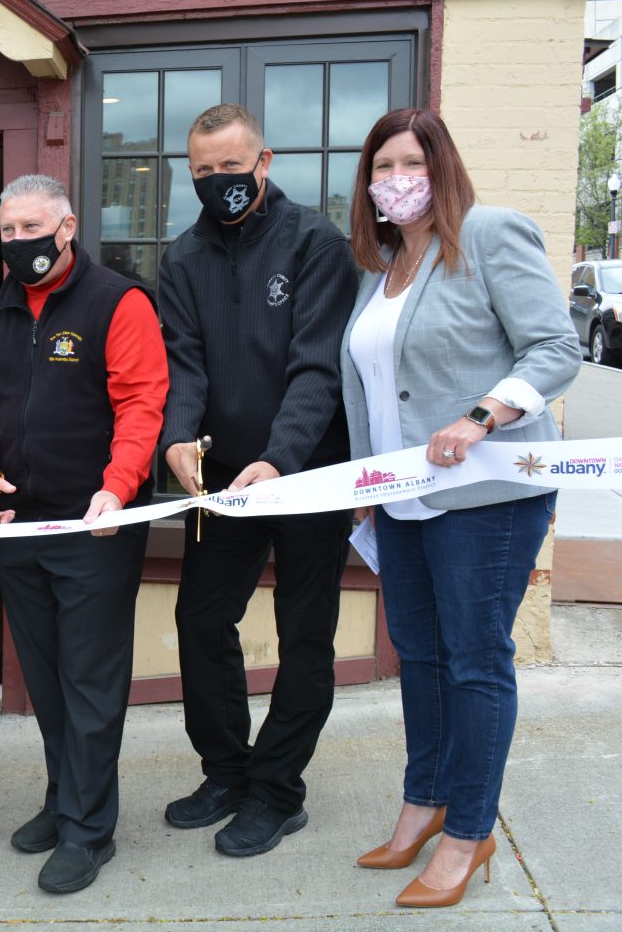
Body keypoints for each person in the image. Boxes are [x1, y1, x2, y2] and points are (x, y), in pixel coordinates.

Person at [340, 109, 579, 908]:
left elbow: (554, 347)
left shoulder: (489, 234)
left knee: (476, 660)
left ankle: (470, 830)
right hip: (402, 502)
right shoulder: (382, 270)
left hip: (485, 497)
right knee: (421, 654)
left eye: (411, 162)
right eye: (382, 167)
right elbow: (377, 391)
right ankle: (425, 800)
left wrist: (482, 416)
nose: (396, 179)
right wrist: (367, 493)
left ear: (442, 168)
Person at [0, 174, 167, 894]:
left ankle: (88, 830)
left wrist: (118, 485)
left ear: (67, 226)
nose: (20, 242)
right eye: (8, 230)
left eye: (32, 228)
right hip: (18, 526)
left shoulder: (118, 301)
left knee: (91, 682)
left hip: (94, 524)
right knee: (44, 679)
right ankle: (61, 796)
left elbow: (142, 403)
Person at [157, 103, 357, 857]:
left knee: (306, 638)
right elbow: (185, 364)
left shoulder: (317, 242)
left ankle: (278, 791)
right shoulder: (182, 258)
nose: (220, 184)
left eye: (233, 170)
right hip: (224, 486)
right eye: (204, 172)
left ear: (264, 163)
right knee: (201, 623)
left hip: (307, 478)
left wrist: (281, 456)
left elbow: (318, 367)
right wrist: (177, 438)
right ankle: (227, 771)